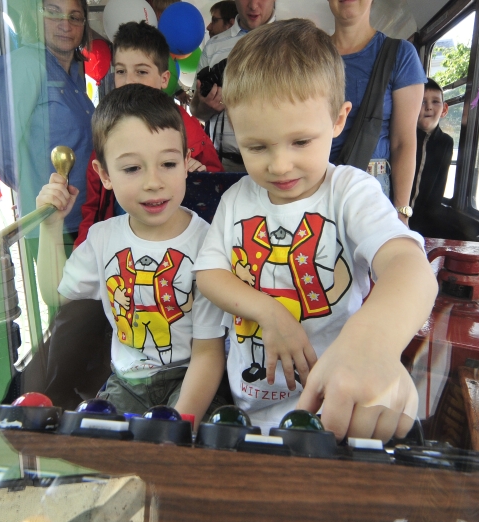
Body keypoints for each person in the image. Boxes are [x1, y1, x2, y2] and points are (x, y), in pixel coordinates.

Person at [194, 19, 437, 441]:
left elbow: (408, 267)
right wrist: (269, 312)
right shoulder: (238, 199)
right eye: (256, 147)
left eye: (301, 142)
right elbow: (210, 273)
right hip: (248, 406)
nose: (280, 165)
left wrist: (373, 342)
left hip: (333, 412)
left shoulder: (348, 192)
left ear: (339, 119)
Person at [35, 84, 229, 422]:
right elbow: (58, 296)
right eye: (132, 169)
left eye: (167, 163)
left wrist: (175, 430)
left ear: (186, 164)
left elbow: (208, 354)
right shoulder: (102, 239)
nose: (153, 182)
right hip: (126, 383)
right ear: (105, 175)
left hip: (190, 378)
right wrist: (50, 228)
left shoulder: (207, 243)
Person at [76, 21, 223, 247]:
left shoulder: (190, 131)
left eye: (141, 71)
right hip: (117, 249)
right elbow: (94, 204)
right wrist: (83, 248)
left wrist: (199, 175)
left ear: (164, 79)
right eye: (121, 71)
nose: (129, 81)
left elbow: (215, 188)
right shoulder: (108, 129)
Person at [0, 0, 94, 250]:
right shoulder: (25, 64)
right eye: (52, 13)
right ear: (35, 18)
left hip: (85, 218)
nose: (65, 24)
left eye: (74, 17)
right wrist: (35, 189)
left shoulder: (74, 72)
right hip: (54, 224)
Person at [327, 0, 426, 224]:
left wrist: (401, 212)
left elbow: (403, 141)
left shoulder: (400, 54)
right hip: (316, 184)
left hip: (373, 188)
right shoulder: (311, 56)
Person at [191, 0, 277, 172]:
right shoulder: (214, 46)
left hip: (275, 163)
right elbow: (195, 110)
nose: (253, 5)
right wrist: (207, 106)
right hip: (223, 165)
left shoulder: (291, 42)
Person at [409, 78, 453, 235]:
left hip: (424, 224)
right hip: (396, 216)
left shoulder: (445, 143)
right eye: (422, 102)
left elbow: (437, 190)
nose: (428, 107)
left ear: (444, 109)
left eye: (435, 102)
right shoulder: (403, 138)